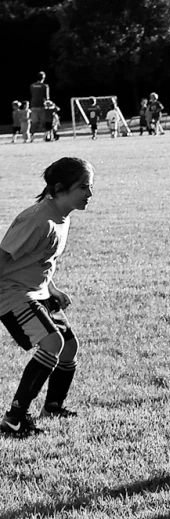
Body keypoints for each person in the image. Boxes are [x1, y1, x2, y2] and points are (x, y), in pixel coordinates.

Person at [0, 157, 95, 438]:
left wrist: (52, 289)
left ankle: (53, 406)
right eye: (84, 187)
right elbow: (4, 256)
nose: (90, 194)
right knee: (52, 342)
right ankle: (14, 419)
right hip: (12, 294)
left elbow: (37, 259)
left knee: (68, 346)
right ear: (59, 188)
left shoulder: (61, 216)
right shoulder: (37, 219)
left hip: (37, 292)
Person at [29, 72, 50, 140]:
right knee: (44, 122)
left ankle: (31, 137)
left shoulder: (32, 85)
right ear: (43, 78)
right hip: (42, 106)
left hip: (33, 105)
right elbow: (47, 97)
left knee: (34, 122)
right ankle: (46, 135)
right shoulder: (45, 86)